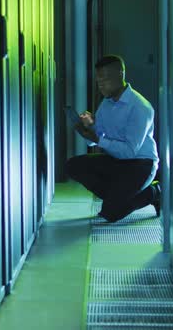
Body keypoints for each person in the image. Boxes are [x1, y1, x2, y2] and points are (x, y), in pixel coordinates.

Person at [65, 54, 161, 222]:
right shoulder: (106, 104)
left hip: (140, 164)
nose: (100, 85)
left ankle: (153, 193)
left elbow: (130, 152)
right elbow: (97, 138)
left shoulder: (140, 107)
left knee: (111, 213)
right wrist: (88, 129)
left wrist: (98, 139)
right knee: (73, 166)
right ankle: (117, 195)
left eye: (105, 80)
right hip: (116, 161)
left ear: (120, 75)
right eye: (98, 80)